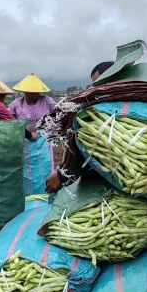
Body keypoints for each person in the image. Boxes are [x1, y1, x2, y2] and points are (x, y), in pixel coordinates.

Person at [44, 61, 115, 193]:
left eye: (99, 83)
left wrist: (62, 176)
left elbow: (87, 146)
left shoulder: (98, 111)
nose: (95, 88)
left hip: (108, 182)